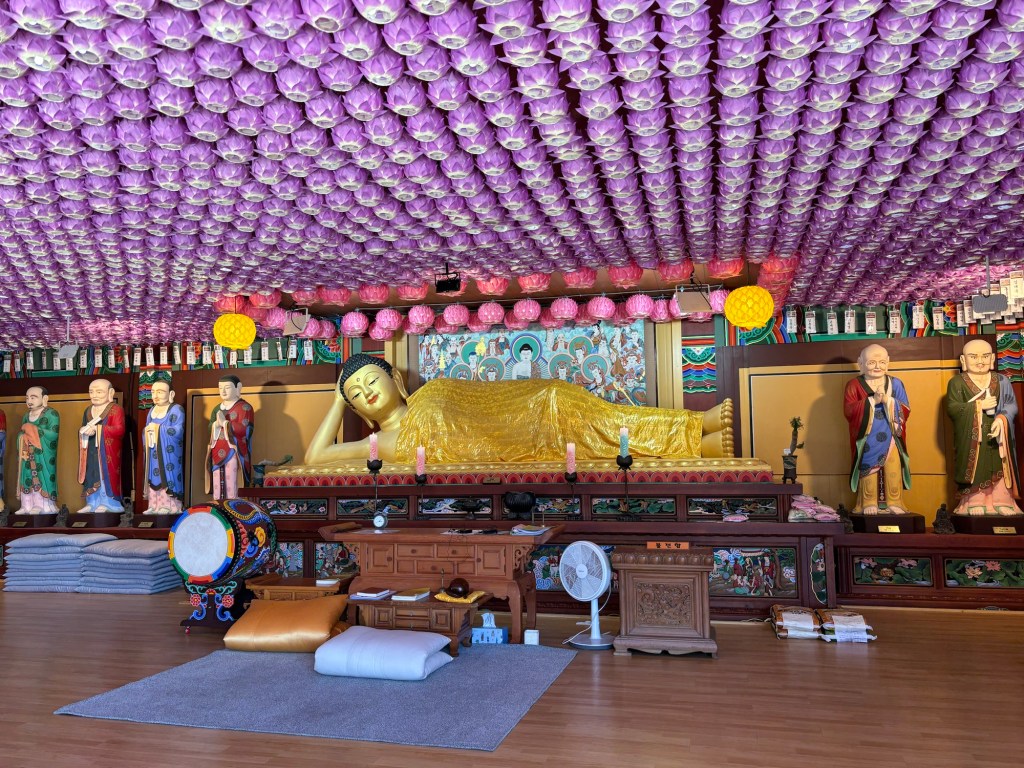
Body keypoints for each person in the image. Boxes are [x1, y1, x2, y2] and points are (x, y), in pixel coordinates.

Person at [303, 353, 734, 466]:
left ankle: (697, 425)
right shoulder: (384, 442)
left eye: (370, 381)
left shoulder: (428, 391)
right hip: (522, 443)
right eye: (355, 393)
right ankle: (700, 442)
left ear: (396, 380)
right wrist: (336, 400)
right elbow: (315, 457)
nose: (365, 392)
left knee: (608, 420)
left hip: (534, 402)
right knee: (602, 441)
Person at [946, 338, 1022, 516]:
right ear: (964, 360)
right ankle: (975, 500)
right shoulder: (957, 382)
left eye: (985, 356)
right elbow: (953, 408)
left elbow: (1011, 405)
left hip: (998, 435)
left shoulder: (1002, 380)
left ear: (993, 358)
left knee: (1000, 464)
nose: (980, 361)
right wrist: (979, 406)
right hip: (973, 437)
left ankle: (1002, 500)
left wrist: (1001, 419)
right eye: (973, 357)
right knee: (976, 466)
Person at [843, 344, 911, 515]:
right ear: (861, 363)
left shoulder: (896, 383)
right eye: (871, 362)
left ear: (888, 362)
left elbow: (906, 409)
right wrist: (872, 401)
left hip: (892, 436)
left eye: (882, 362)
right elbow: (849, 411)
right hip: (868, 436)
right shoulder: (854, 385)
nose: (877, 366)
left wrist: (888, 400)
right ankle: (868, 501)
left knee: (893, 468)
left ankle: (894, 501)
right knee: (868, 467)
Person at [77, 378, 126, 514]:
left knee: (105, 475)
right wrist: (83, 432)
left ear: (110, 393)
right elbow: (83, 427)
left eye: (99, 392)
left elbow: (120, 430)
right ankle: (92, 502)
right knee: (90, 474)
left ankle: (109, 502)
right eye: (91, 392)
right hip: (90, 449)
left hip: (107, 452)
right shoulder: (88, 410)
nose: (94, 395)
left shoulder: (115, 410)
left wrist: (98, 429)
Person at [205, 375, 254, 500]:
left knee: (232, 480)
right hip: (216, 450)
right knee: (217, 481)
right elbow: (210, 427)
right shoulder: (217, 409)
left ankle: (233, 505)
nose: (223, 391)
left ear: (238, 388)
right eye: (220, 387)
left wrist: (226, 423)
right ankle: (218, 505)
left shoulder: (244, 407)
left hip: (234, 450)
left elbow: (246, 430)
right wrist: (216, 425)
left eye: (227, 387)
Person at [142, 378, 186, 514]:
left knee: (166, 476)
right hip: (153, 450)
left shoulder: (176, 409)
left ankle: (169, 505)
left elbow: (178, 431)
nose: (155, 395)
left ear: (171, 394)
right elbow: (146, 428)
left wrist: (158, 429)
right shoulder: (152, 410)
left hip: (169, 453)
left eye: (160, 392)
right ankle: (153, 504)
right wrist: (147, 431)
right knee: (153, 476)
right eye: (153, 392)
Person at [16, 386, 59, 514]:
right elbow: (21, 433)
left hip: (43, 455)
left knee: (41, 478)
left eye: (33, 397)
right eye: (27, 398)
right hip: (26, 454)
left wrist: (32, 429)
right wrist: (23, 436)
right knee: (26, 476)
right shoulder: (26, 416)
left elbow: (53, 435)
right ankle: (26, 505)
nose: (29, 401)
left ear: (44, 398)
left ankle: (42, 505)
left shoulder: (52, 414)